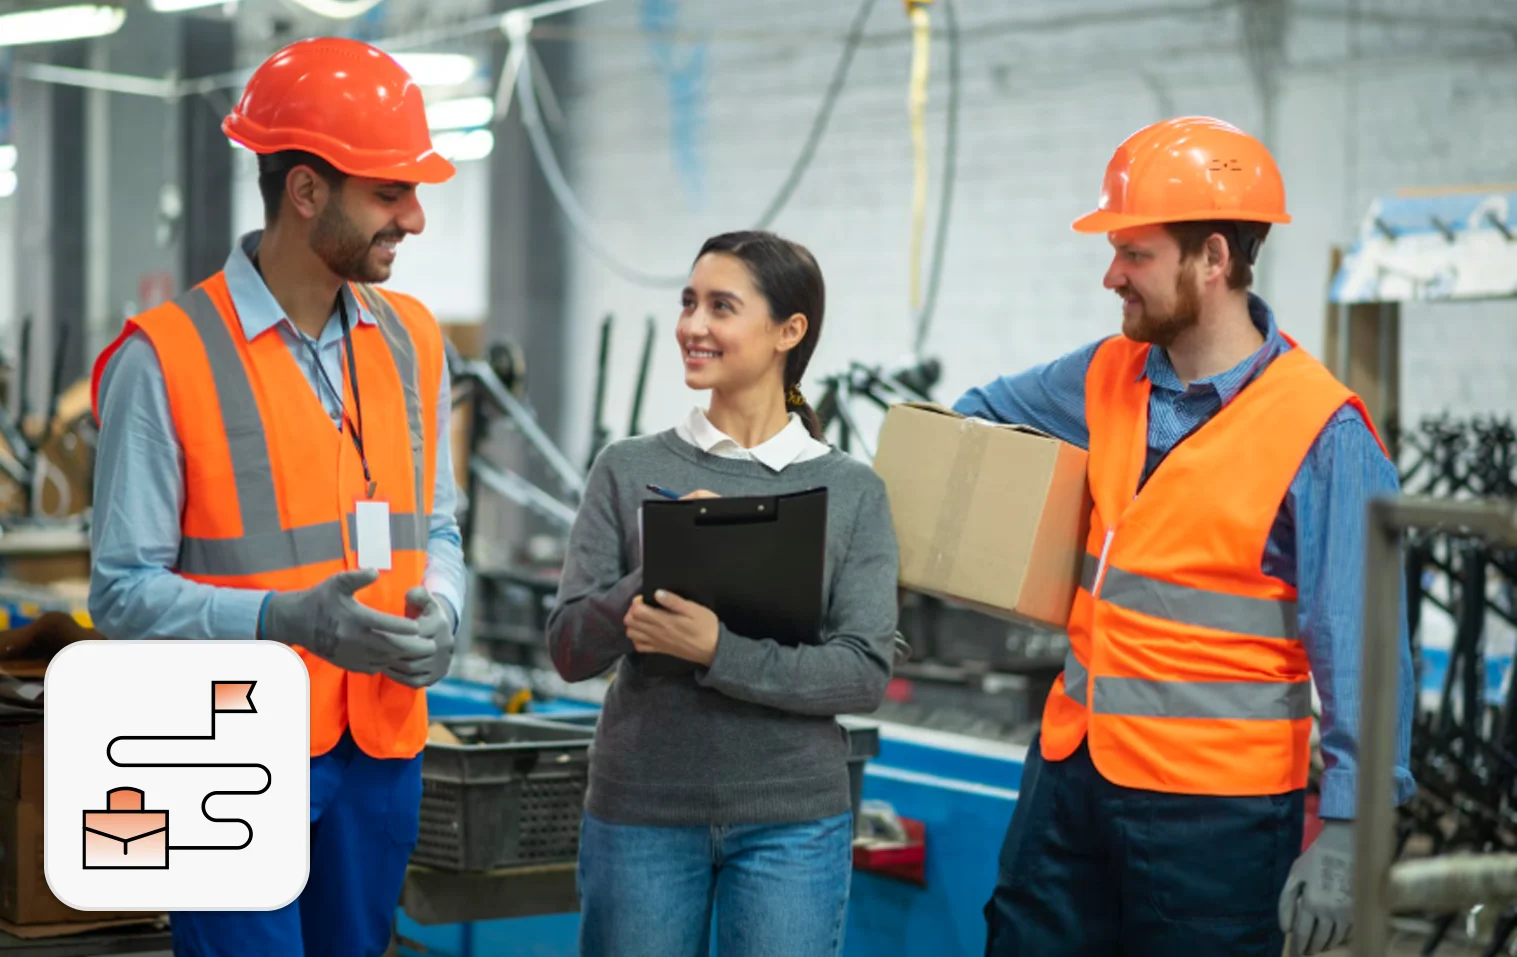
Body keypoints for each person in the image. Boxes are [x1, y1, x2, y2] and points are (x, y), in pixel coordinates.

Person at [963, 116, 1415, 957]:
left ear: (1212, 257)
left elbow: (1366, 653)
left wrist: (1352, 833)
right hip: (1070, 771)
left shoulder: (1323, 433)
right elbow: (968, 429)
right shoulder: (1104, 374)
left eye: (1134, 253)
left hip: (1217, 816)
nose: (1111, 275)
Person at [88, 37, 466, 957]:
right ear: (305, 191)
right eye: (389, 191)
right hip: (222, 747)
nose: (414, 218)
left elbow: (440, 522)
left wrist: (444, 612)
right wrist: (282, 619)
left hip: (379, 744)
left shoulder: (412, 338)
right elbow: (121, 591)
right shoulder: (165, 356)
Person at [546, 230, 900, 957]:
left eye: (720, 306)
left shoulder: (850, 490)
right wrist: (667, 561)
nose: (691, 326)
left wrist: (717, 650)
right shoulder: (627, 468)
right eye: (687, 303)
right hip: (640, 812)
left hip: (792, 821)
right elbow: (569, 648)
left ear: (787, 331)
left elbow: (863, 670)